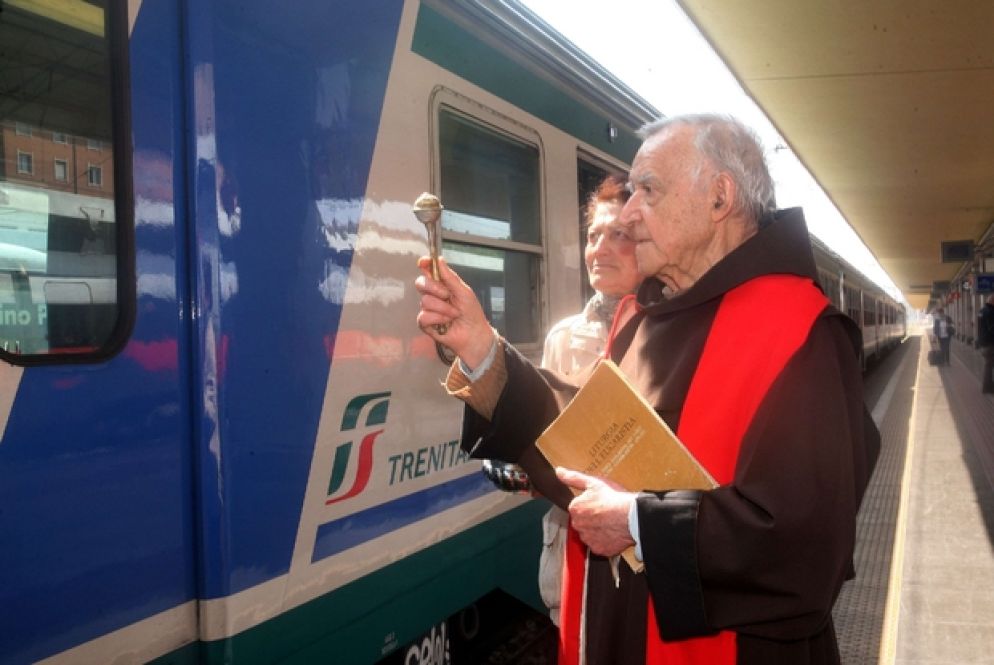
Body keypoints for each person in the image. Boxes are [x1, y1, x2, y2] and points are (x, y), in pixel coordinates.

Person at [415, 113, 879, 665]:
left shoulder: (801, 333)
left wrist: (638, 522)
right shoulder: (645, 315)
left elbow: (805, 546)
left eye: (648, 191)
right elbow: (587, 438)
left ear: (719, 197)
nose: (629, 213)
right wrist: (481, 350)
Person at [537, 175, 640, 625]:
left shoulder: (672, 336)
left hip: (644, 544)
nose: (599, 249)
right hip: (575, 539)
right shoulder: (564, 338)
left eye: (619, 235)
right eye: (594, 235)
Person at [980, 294, 994, 393]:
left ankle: (987, 386)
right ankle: (987, 388)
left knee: (987, 365)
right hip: (990, 343)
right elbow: (992, 328)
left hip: (983, 342)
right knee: (988, 366)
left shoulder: (982, 310)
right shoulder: (990, 312)